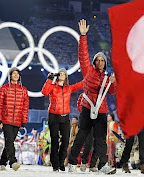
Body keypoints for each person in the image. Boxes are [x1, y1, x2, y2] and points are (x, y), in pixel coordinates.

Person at [67, 19, 117, 175]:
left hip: (101, 110)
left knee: (101, 140)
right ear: (95, 61)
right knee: (81, 136)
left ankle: (103, 165)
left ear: (105, 63)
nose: (100, 62)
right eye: (98, 60)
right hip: (88, 108)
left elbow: (112, 92)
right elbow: (83, 55)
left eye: (103, 60)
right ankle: (71, 163)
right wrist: (83, 36)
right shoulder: (88, 71)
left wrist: (114, 83)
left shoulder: (108, 77)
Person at [41, 68, 83, 172]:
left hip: (65, 117)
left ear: (66, 77)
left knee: (65, 141)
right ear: (58, 75)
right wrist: (49, 80)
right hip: (53, 116)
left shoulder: (68, 88)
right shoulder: (53, 87)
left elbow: (80, 84)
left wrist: (89, 76)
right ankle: (55, 165)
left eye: (64, 74)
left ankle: (61, 162)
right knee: (54, 141)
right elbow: (44, 92)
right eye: (61, 73)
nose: (62, 75)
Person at [0, 67, 29, 171]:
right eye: (13, 73)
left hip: (17, 120)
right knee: (9, 141)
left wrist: (23, 121)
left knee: (9, 142)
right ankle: (13, 162)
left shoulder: (23, 90)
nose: (15, 75)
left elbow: (25, 107)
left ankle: (2, 162)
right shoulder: (4, 88)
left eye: (17, 74)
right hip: (6, 119)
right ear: (10, 75)